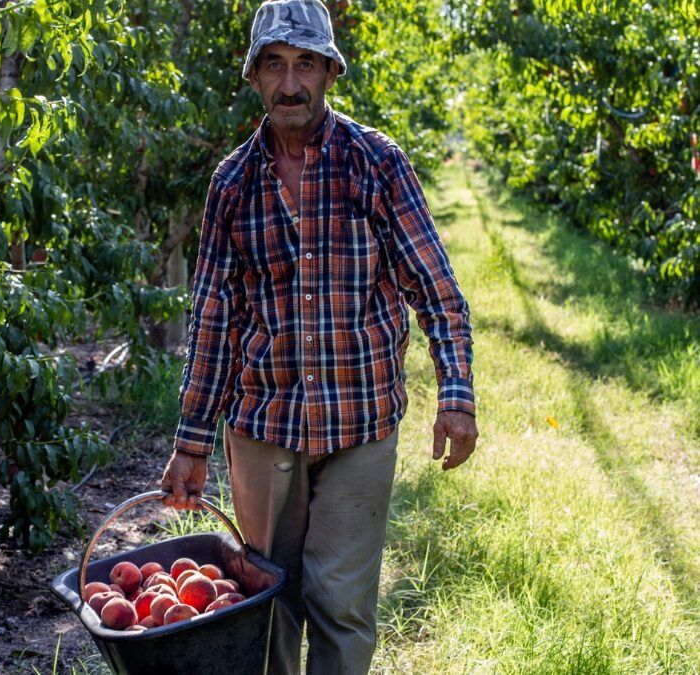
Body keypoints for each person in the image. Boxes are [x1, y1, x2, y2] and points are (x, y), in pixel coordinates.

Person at [160, 1, 478, 672]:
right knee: (267, 602)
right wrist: (191, 442)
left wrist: (456, 396)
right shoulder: (233, 184)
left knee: (341, 605)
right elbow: (213, 318)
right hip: (263, 425)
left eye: (305, 64)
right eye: (274, 65)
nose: (291, 84)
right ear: (253, 77)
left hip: (359, 422)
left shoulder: (376, 164)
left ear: (331, 72)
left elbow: (436, 290)